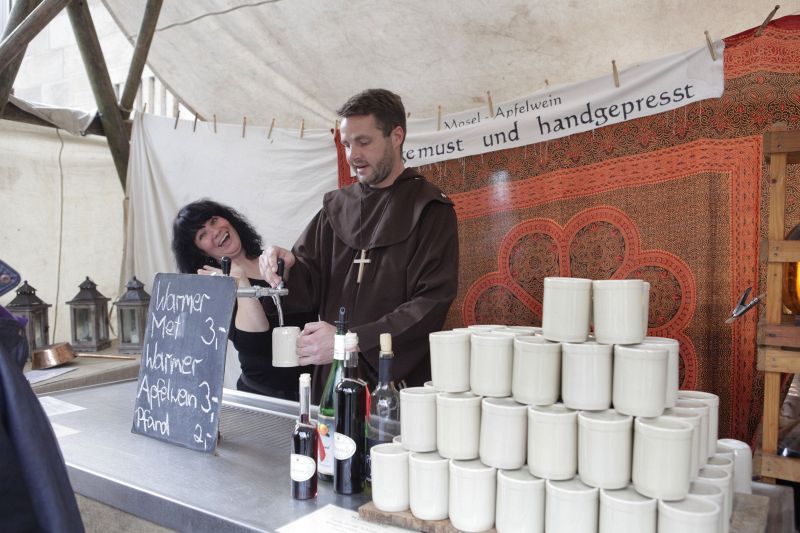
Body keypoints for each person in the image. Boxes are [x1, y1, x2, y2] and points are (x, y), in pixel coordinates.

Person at [261, 88, 459, 400]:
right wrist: (285, 266)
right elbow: (306, 286)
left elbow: (430, 304)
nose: (353, 155)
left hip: (396, 383)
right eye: (346, 144)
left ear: (396, 136)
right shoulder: (335, 208)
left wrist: (350, 341)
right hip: (333, 381)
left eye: (364, 142)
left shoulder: (430, 209)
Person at [172, 200, 315, 401]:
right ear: (200, 251)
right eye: (202, 235)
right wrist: (240, 281)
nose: (214, 231)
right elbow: (255, 342)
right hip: (264, 399)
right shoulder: (214, 287)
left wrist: (291, 267)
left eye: (214, 221)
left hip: (311, 391)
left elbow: (309, 304)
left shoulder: (272, 260)